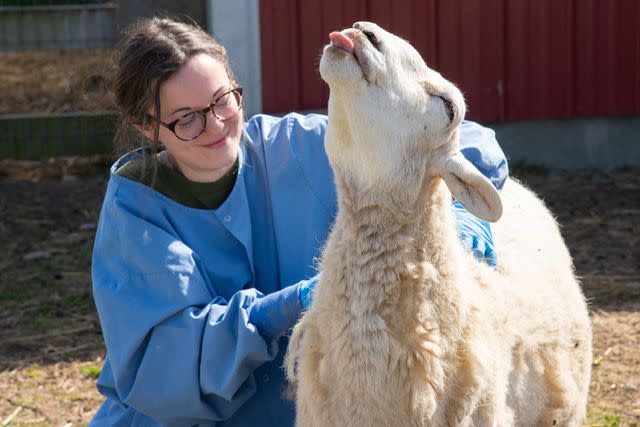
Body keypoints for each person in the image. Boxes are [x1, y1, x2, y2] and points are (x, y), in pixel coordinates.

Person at [90, 17, 508, 427]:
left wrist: (459, 215)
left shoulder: (296, 147)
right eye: (187, 118)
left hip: (317, 410)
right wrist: (286, 308)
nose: (216, 125)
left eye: (223, 99)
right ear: (145, 125)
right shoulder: (137, 215)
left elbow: (458, 133)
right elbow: (166, 365)